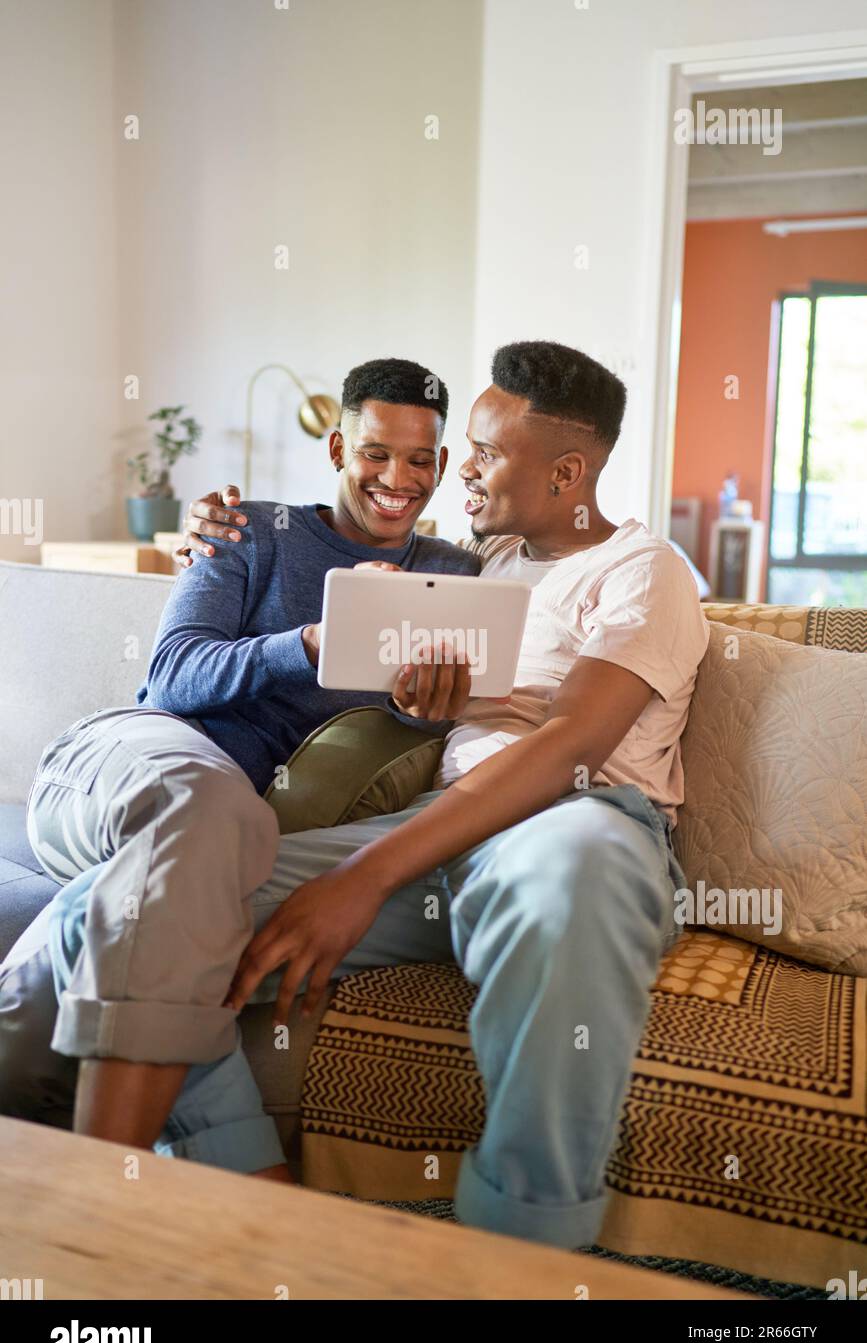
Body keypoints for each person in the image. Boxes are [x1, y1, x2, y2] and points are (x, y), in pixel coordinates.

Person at [5, 341, 710, 1250]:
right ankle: (242, 1183)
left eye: (480, 454)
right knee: (122, 908)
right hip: (434, 831)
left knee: (568, 878)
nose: (458, 472)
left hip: (571, 820)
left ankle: (522, 1257)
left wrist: (363, 877)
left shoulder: (642, 571)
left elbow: (569, 748)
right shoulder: (478, 565)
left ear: (567, 472)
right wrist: (420, 699)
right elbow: (412, 679)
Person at [0, 358, 475, 1181]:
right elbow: (174, 676)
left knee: (205, 868)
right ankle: (111, 1192)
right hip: (132, 761)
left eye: (420, 459)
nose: (398, 479)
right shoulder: (249, 531)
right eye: (374, 453)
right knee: (211, 809)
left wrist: (422, 709)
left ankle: (243, 1206)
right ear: (335, 448)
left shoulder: (458, 576)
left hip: (223, 837)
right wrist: (313, 642)